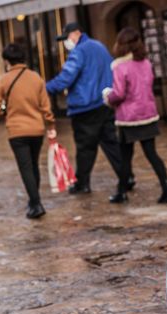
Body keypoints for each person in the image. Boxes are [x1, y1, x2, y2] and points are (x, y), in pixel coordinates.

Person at [46, 22, 133, 197]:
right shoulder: (99, 46)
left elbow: (65, 79)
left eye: (66, 38)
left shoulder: (79, 52)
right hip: (104, 104)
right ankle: (127, 176)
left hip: (85, 108)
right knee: (111, 144)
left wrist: (43, 88)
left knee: (85, 148)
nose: (66, 42)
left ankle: (82, 183)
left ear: (75, 34)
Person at [103, 28, 167, 204]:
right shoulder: (146, 63)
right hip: (148, 114)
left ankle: (122, 191)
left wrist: (107, 96)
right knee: (152, 154)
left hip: (129, 118)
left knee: (125, 156)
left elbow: (118, 94)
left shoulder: (120, 66)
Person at [0, 44, 56, 219]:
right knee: (33, 165)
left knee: (25, 167)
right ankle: (35, 200)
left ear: (6, 61)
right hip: (36, 129)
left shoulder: (4, 80)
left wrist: (5, 112)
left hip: (17, 131)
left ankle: (36, 203)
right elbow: (45, 106)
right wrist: (50, 124)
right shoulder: (36, 78)